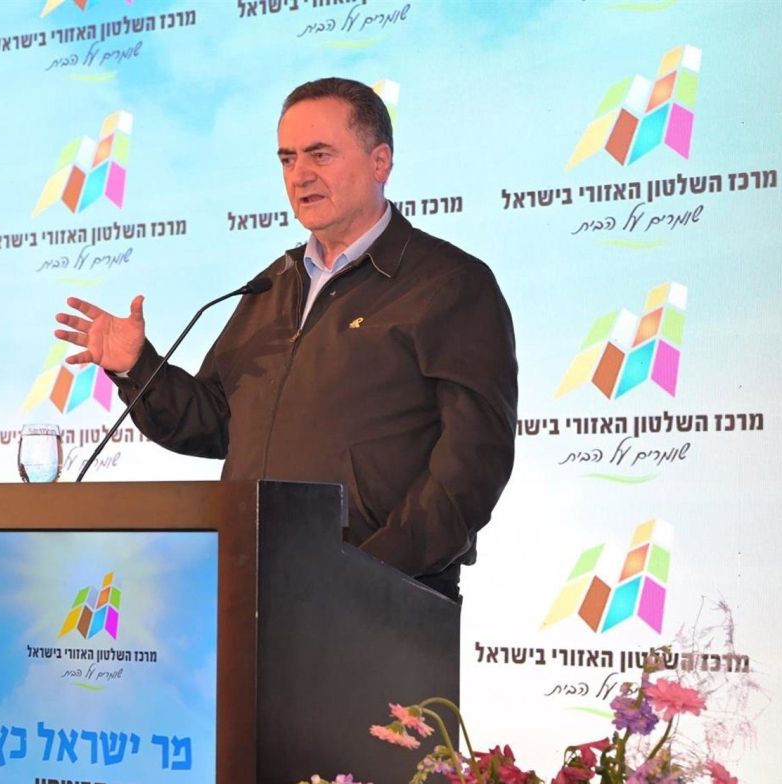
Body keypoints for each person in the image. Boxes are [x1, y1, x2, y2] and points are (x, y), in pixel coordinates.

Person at [55, 77, 517, 600]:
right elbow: (213, 423)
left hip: (382, 598)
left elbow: (474, 460)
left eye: (320, 154)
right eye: (288, 159)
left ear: (380, 162)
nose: (301, 174)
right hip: (251, 585)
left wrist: (372, 570)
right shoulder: (273, 285)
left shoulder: (447, 284)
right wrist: (138, 366)